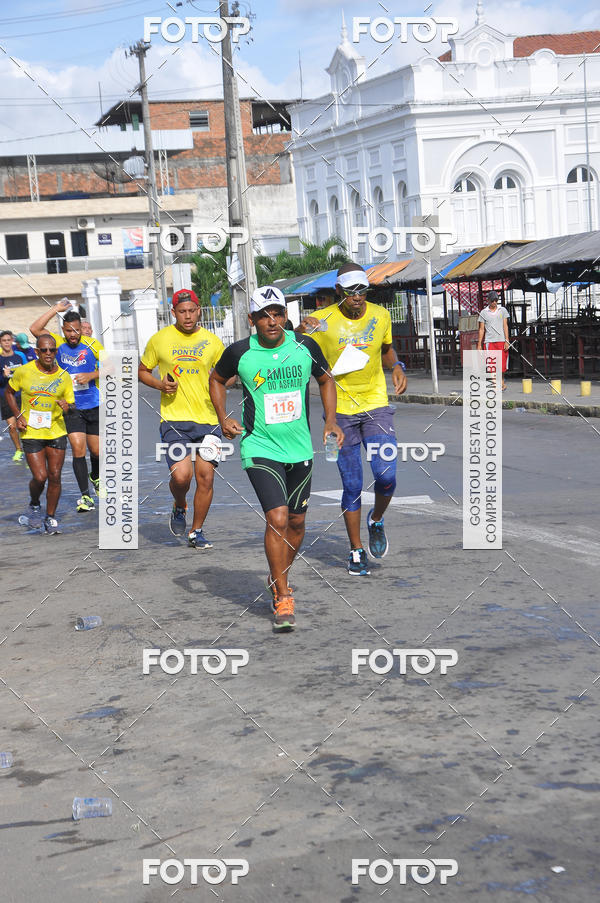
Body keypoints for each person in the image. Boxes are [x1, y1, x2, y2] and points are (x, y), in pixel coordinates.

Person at [209, 285, 343, 632]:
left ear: (286, 316)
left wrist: (330, 420)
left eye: (278, 313)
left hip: (299, 448)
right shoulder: (239, 352)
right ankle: (283, 595)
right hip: (260, 447)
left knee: (297, 523)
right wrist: (223, 417)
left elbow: (326, 380)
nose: (272, 321)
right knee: (278, 517)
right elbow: (216, 379)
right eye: (265, 315)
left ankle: (277, 575)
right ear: (251, 319)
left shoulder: (304, 347)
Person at [297, 263, 407, 576]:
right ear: (338, 292)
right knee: (352, 483)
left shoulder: (380, 315)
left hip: (376, 404)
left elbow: (386, 348)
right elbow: (294, 345)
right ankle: (356, 550)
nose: (357, 297)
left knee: (386, 475)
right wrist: (299, 330)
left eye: (362, 290)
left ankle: (377, 520)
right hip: (339, 412)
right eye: (350, 291)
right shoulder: (324, 321)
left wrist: (396, 365)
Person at [139, 288, 225, 548]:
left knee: (206, 477)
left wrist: (220, 380)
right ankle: (179, 504)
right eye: (181, 312)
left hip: (209, 421)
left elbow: (226, 375)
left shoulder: (213, 342)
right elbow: (143, 371)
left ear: (199, 310)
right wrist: (158, 385)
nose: (187, 316)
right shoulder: (159, 339)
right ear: (173, 313)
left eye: (191, 311)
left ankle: (196, 532)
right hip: (174, 421)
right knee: (181, 477)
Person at [30, 299, 104, 512]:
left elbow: (112, 366)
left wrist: (92, 374)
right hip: (70, 408)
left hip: (93, 403)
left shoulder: (93, 345)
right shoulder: (56, 343)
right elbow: (34, 329)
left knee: (97, 451)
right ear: (63, 330)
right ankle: (85, 496)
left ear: (82, 329)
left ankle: (96, 475)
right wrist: (56, 309)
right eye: (69, 331)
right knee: (78, 450)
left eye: (77, 330)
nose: (73, 335)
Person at [4, 334, 74, 533]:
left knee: (55, 476)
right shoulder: (24, 372)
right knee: (41, 476)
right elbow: (9, 392)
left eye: (52, 350)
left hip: (56, 430)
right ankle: (35, 503)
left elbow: (71, 406)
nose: (49, 354)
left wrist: (66, 406)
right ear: (37, 352)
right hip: (31, 431)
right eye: (44, 350)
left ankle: (50, 518)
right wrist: (18, 415)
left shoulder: (63, 376)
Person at [0, 330, 26, 462]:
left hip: (20, 395)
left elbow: (28, 374)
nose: (7, 343)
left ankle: (28, 449)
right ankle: (18, 450)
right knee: (12, 426)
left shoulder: (19, 356)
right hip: (5, 396)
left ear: (12, 341)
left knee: (24, 424)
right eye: (4, 341)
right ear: (0, 343)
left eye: (9, 340)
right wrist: (3, 376)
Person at [477, 290, 510, 390]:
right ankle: (495, 384)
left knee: (502, 364)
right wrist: (479, 344)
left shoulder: (502, 310)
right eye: (492, 301)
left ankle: (502, 382)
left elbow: (505, 325)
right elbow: (481, 329)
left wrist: (507, 340)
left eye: (496, 300)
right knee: (492, 363)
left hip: (501, 340)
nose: (494, 302)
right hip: (489, 341)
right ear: (488, 301)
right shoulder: (483, 312)